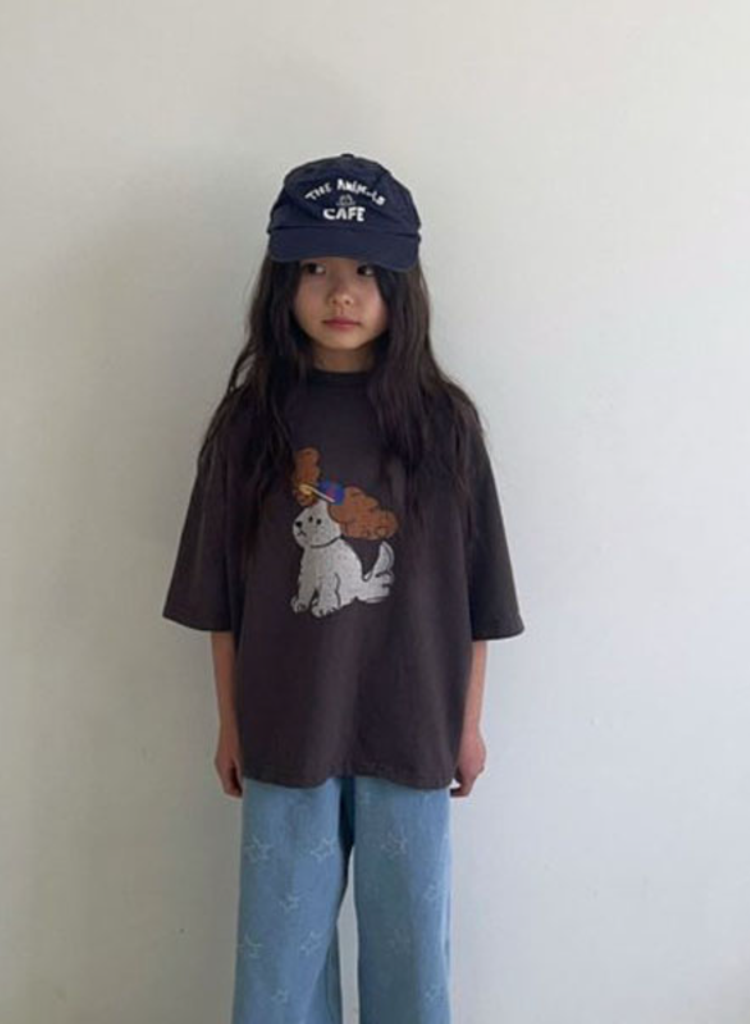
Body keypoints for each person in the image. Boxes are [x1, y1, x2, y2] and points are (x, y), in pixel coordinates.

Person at [162, 152, 525, 1024]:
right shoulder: (250, 426)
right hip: (286, 729)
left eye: (365, 270)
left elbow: (478, 600)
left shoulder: (444, 426)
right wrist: (232, 723)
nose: (341, 293)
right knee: (279, 960)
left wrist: (467, 727)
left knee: (412, 954)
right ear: (282, 282)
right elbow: (220, 601)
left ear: (401, 284)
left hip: (414, 729)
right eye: (316, 268)